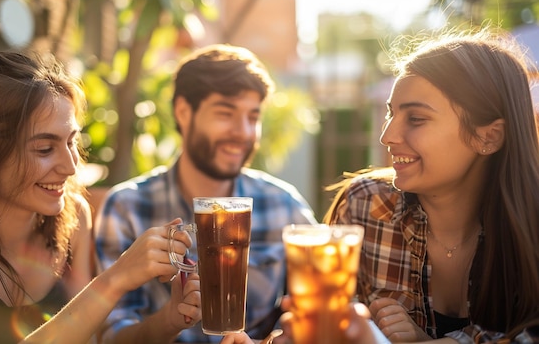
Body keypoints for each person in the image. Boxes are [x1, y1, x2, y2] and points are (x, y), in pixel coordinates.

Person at [221, 28, 539, 344]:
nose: (387, 136)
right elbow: (320, 329)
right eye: (391, 113)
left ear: (489, 136)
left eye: (416, 118)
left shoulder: (531, 224)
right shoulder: (366, 205)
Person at [0, 51, 201, 344]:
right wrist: (115, 279)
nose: (71, 166)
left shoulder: (72, 215)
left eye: (72, 141)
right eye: (44, 149)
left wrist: (168, 320)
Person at [94, 44, 317, 343]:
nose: (243, 132)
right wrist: (169, 321)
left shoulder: (284, 205)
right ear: (184, 112)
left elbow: (321, 308)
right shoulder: (127, 208)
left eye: (253, 117)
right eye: (226, 113)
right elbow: (112, 337)